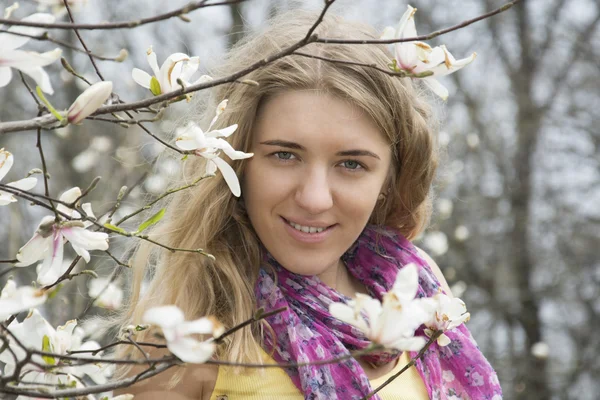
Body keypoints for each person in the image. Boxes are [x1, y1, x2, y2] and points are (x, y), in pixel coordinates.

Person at [116, 9, 502, 400]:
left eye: (351, 164)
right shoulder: (185, 336)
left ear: (388, 180)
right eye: (285, 155)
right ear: (236, 161)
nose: (314, 199)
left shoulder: (416, 285)